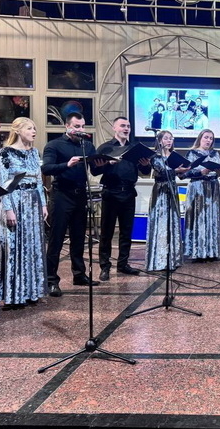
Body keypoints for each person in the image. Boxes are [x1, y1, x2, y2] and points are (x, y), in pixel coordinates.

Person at [41, 112, 100, 297]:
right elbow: (46, 168)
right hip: (61, 195)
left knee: (79, 237)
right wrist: (66, 165)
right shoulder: (54, 145)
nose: (80, 129)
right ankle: (51, 280)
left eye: (82, 126)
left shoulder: (87, 145)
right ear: (67, 126)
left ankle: (79, 274)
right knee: (56, 238)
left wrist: (104, 163)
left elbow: (95, 170)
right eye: (76, 126)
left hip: (80, 194)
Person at [0, 118, 48, 308]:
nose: (34, 131)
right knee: (14, 247)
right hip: (15, 201)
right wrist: (8, 209)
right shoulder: (6, 153)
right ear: (17, 130)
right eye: (29, 128)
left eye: (34, 128)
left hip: (32, 203)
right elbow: (2, 183)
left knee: (32, 247)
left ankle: (30, 291)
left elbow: (39, 181)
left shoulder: (34, 152)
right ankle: (13, 294)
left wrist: (43, 204)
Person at [90, 117, 151, 280]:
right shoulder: (105, 148)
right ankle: (105, 266)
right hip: (111, 192)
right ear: (114, 128)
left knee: (126, 232)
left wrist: (146, 164)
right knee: (107, 232)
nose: (126, 129)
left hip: (129, 193)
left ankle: (123, 264)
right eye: (123, 126)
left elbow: (145, 171)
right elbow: (94, 171)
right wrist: (106, 164)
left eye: (128, 126)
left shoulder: (134, 148)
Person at [145, 130, 188, 271]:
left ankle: (172, 259)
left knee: (172, 223)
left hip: (172, 190)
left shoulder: (175, 156)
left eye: (171, 138)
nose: (169, 141)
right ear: (159, 140)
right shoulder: (155, 157)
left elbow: (181, 176)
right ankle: (160, 259)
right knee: (161, 223)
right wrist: (177, 170)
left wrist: (187, 170)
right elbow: (161, 171)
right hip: (161, 191)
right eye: (166, 138)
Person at [183, 129, 220, 262]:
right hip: (198, 188)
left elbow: (219, 169)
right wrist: (201, 172)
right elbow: (186, 173)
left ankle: (211, 251)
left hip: (212, 188)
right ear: (200, 138)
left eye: (211, 138)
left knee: (211, 218)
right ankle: (198, 251)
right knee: (198, 218)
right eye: (206, 137)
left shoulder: (215, 153)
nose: (208, 140)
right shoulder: (192, 153)